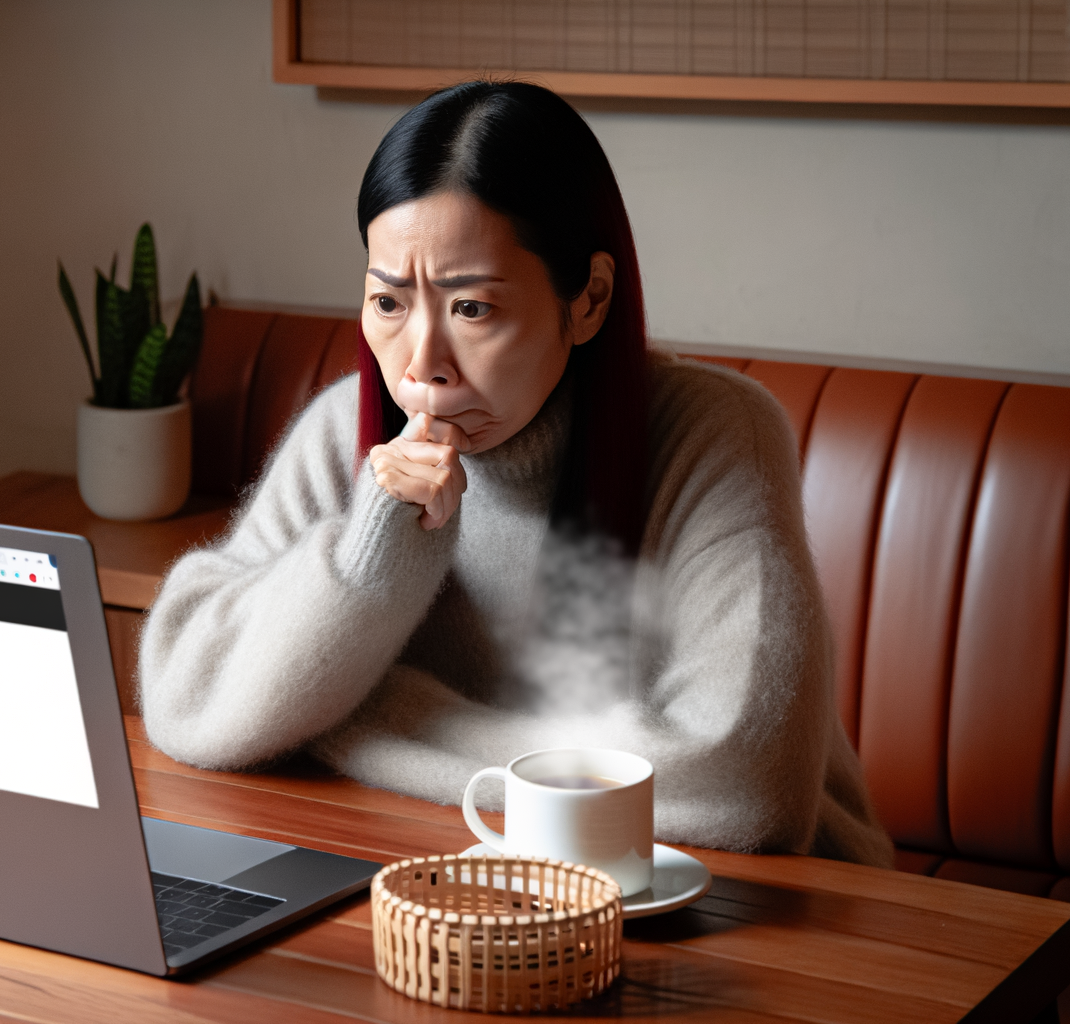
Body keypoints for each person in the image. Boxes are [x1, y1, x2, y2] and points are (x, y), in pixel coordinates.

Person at [137, 82, 892, 865]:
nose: (421, 364)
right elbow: (184, 695)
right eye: (388, 304)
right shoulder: (344, 430)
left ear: (589, 299)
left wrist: (355, 709)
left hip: (764, 919)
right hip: (444, 885)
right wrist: (369, 556)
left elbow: (742, 786)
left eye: (472, 310)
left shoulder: (713, 435)